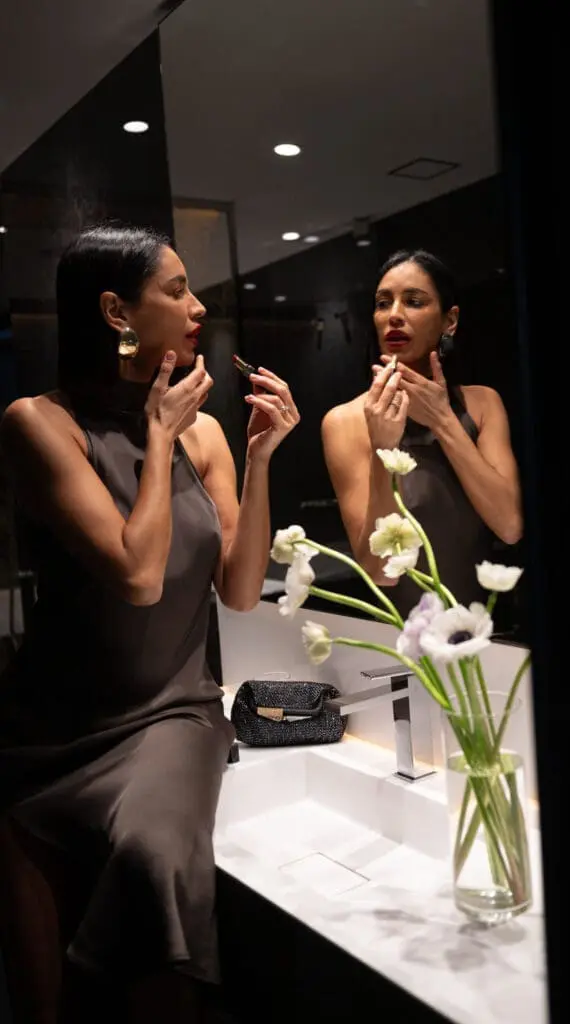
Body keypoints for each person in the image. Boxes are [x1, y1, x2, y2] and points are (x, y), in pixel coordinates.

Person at [0, 225, 299, 1023]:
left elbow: (238, 592)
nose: (197, 305)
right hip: (46, 730)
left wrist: (262, 454)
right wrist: (158, 436)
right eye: (175, 289)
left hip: (172, 710)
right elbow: (136, 574)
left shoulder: (204, 433)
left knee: (154, 856)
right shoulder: (38, 423)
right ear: (115, 312)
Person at [321, 249, 522, 617]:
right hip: (398, 647)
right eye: (383, 303)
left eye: (413, 301)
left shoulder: (482, 405)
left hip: (486, 638)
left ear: (450, 320)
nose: (394, 315)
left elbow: (510, 526)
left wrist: (444, 421)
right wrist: (382, 446)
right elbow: (379, 570)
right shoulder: (345, 421)